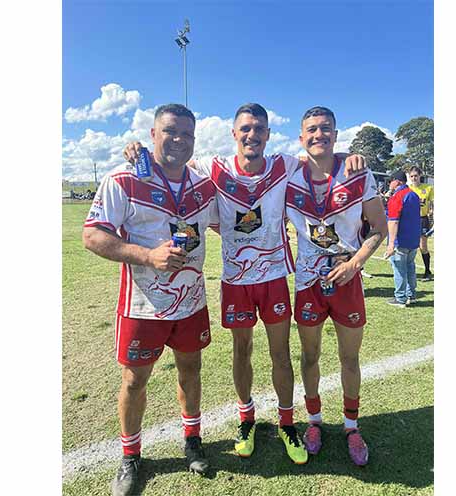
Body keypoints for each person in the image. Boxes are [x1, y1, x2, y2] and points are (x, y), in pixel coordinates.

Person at [123, 103, 366, 465]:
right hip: (235, 280)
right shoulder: (211, 167)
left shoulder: (284, 166)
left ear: (268, 135)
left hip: (273, 278)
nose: (252, 135)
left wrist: (351, 156)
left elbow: (321, 156)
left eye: (259, 129)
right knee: (242, 352)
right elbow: (169, 164)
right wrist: (139, 151)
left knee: (281, 354)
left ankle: (287, 423)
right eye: (245, 129)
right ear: (234, 134)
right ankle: (246, 419)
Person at [83, 104, 218, 496]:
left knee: (190, 371)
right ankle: (130, 456)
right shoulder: (123, 179)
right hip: (143, 306)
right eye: (170, 131)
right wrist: (146, 256)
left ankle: (192, 439)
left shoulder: (202, 185)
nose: (179, 140)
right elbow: (92, 235)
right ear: (153, 133)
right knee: (134, 379)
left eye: (187, 134)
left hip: (191, 302)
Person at [285, 106, 388, 466]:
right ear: (301, 138)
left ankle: (351, 426)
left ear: (335, 134)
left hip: (347, 281)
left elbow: (379, 229)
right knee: (310, 356)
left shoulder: (359, 173)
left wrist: (355, 264)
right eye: (311, 130)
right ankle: (314, 421)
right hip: (308, 283)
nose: (319, 135)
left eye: (325, 129)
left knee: (349, 358)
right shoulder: (288, 176)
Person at [384, 170, 421, 307]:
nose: (389, 183)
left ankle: (400, 298)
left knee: (399, 269)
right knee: (410, 267)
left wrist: (391, 245)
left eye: (391, 181)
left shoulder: (397, 197)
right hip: (412, 238)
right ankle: (412, 295)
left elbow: (393, 221)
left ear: (397, 181)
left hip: (400, 239)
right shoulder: (413, 195)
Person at [408, 166, 434, 281]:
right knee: (409, 246)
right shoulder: (407, 188)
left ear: (420, 176)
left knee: (423, 246)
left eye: (416, 176)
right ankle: (410, 271)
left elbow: (433, 203)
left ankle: (427, 271)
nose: (414, 178)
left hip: (422, 219)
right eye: (412, 176)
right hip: (409, 220)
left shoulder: (428, 188)